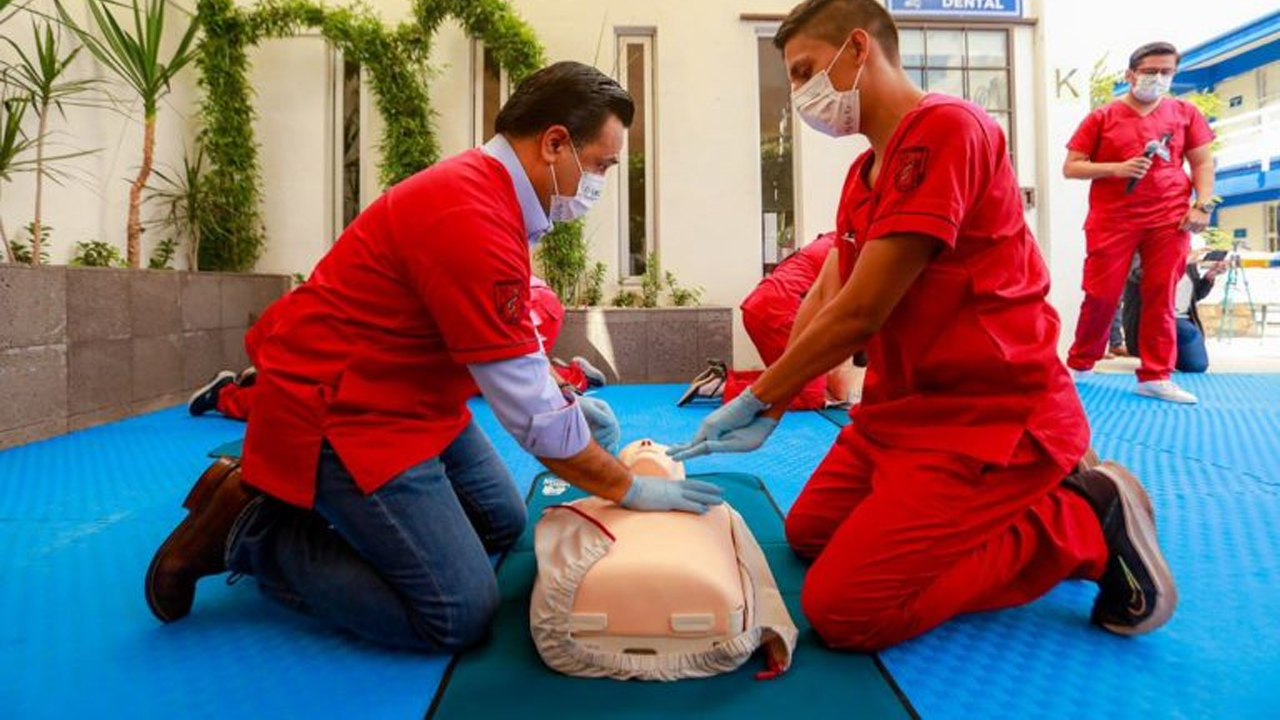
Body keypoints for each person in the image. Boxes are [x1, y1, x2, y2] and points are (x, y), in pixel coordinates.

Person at [144, 62, 724, 652]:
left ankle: (319, 518)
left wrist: (567, 406)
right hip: (346, 408)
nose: (598, 181)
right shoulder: (472, 216)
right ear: (554, 143)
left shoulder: (495, 197)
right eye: (600, 165)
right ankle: (253, 531)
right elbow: (535, 420)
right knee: (457, 612)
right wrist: (630, 487)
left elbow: (508, 347)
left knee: (502, 521)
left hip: (412, 393)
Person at [669, 0, 1175, 652]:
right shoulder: (864, 173)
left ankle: (1081, 518)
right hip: (900, 413)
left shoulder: (948, 129)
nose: (801, 95)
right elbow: (830, 292)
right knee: (809, 535)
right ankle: (968, 513)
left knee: (847, 611)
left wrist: (758, 395)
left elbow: (861, 313)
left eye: (804, 71)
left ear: (857, 48)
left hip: (987, 417)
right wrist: (779, 397)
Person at [187, 276, 606, 420]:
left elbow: (511, 362)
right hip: (312, 356)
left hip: (311, 347)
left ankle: (233, 390)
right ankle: (229, 393)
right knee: (304, 403)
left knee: (496, 371)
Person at [1063, 41, 1216, 404]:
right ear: (1131, 74)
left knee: (1161, 295)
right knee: (1101, 295)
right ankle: (1080, 365)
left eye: (1167, 72)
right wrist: (1116, 168)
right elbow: (1071, 166)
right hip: (1113, 219)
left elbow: (1203, 163)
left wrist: (1202, 206)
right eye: (1150, 71)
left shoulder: (1185, 113)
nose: (1158, 78)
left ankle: (1155, 375)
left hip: (1170, 219)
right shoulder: (1102, 117)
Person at [740, 232, 863, 405]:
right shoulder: (854, 247)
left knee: (786, 379)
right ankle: (722, 387)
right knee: (809, 396)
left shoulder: (833, 238)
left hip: (759, 304)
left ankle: (724, 381)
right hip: (782, 310)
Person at [1123, 248, 1226, 373]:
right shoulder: (1141, 251)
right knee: (1189, 358)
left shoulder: (1187, 257)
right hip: (1155, 317)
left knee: (1197, 365)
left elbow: (1196, 295)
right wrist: (1181, 261)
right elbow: (1137, 275)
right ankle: (1157, 354)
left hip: (1181, 319)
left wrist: (1210, 275)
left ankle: (1165, 355)